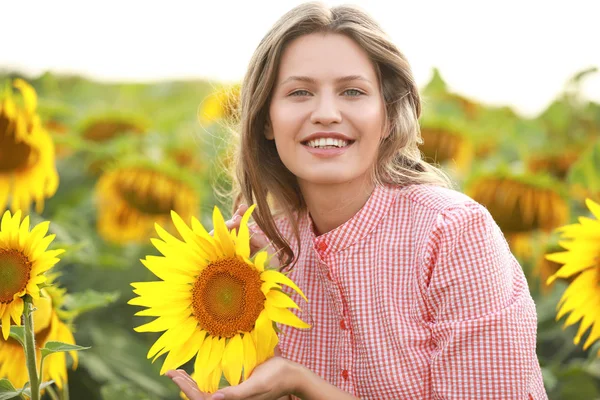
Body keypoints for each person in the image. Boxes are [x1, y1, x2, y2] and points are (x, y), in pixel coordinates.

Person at [166, 2, 548, 399]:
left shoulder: (452, 234)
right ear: (266, 119)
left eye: (352, 91)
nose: (327, 113)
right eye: (300, 92)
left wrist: (302, 383)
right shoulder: (259, 257)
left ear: (387, 116)